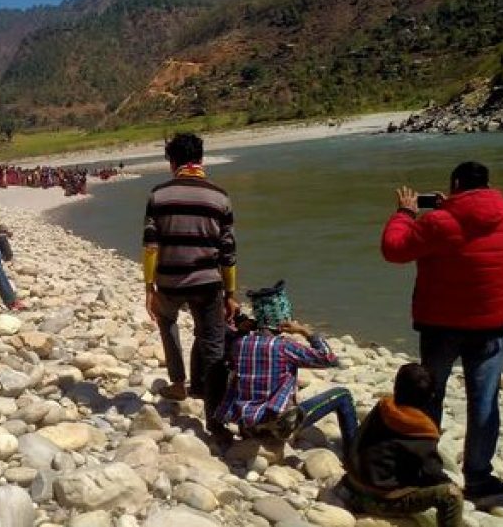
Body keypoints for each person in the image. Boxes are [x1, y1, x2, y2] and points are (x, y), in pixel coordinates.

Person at [381, 161, 503, 500]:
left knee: (430, 395)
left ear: (455, 184)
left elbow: (394, 249)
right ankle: (479, 477)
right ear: (488, 185)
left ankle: (424, 469)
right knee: (484, 402)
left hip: (440, 326)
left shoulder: (437, 223)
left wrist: (405, 214)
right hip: (490, 326)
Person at [143, 132, 239, 413]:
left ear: (172, 161)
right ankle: (214, 408)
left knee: (167, 323)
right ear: (201, 159)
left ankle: (178, 383)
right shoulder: (220, 197)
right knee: (212, 341)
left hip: (169, 283)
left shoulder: (158, 196)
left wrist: (149, 288)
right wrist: (230, 294)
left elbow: (150, 246)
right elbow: (228, 251)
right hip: (208, 283)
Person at [343, 363, 463, 527]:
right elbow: (432, 473)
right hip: (378, 499)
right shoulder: (423, 430)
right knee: (451, 495)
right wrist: (450, 483)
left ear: (396, 386)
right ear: (430, 396)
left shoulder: (384, 407)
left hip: (352, 484)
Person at [215, 317, 357, 451]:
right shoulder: (284, 346)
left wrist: (241, 330)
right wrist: (304, 331)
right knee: (343, 394)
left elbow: (225, 345)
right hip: (277, 426)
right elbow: (328, 358)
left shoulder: (238, 343)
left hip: (246, 424)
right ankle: (354, 452)